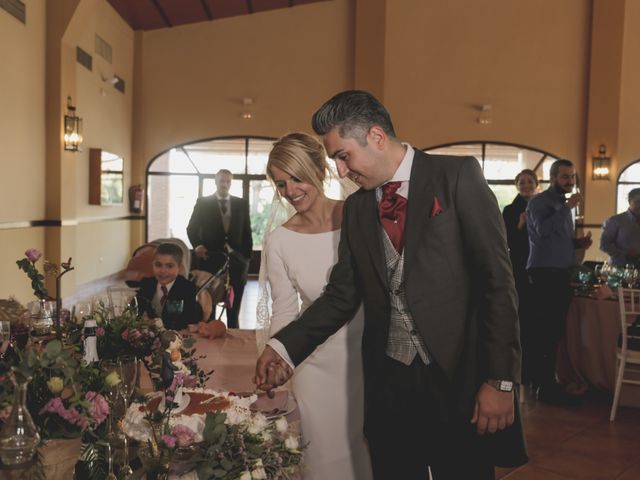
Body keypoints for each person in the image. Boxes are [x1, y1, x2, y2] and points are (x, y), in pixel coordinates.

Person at [255, 91, 527, 480]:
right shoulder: (359, 208)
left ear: (377, 137)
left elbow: (497, 284)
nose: (341, 171)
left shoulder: (456, 177)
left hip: (459, 383)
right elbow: (341, 295)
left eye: (343, 156)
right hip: (389, 389)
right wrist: (283, 347)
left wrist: (500, 380)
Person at [260, 132, 373, 479]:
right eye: (281, 184)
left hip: (369, 357)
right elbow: (284, 310)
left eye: (297, 178)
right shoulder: (279, 240)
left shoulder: (359, 217)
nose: (291, 191)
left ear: (319, 170)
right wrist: (280, 357)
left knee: (372, 450)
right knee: (323, 457)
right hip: (314, 363)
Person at [526, 159, 592, 404]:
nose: (570, 181)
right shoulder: (540, 202)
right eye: (565, 177)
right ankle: (543, 386)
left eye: (572, 177)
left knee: (554, 332)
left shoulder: (563, 204)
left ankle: (546, 382)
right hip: (545, 275)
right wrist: (567, 209)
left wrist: (577, 244)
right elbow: (541, 232)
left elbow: (556, 239)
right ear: (553, 178)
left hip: (560, 273)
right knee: (545, 331)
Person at [187, 169, 253, 328]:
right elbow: (191, 228)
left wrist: (246, 258)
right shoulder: (203, 202)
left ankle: (233, 335)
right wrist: (198, 245)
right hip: (210, 259)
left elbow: (247, 231)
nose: (224, 184)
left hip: (237, 261)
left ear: (231, 183)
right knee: (209, 305)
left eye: (228, 181)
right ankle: (210, 333)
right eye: (221, 181)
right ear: (216, 182)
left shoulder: (241, 203)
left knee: (234, 307)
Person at [502, 169, 538, 387]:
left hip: (539, 269)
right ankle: (521, 370)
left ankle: (534, 369)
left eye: (530, 181)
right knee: (522, 317)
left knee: (536, 319)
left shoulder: (542, 207)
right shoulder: (509, 210)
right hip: (520, 268)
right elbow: (505, 241)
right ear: (517, 185)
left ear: (536, 184)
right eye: (522, 182)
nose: (526, 185)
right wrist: (519, 225)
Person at [136, 243, 201, 331]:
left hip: (176, 337)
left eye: (169, 266)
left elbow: (188, 321)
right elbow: (137, 313)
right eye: (158, 265)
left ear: (180, 268)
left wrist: (156, 323)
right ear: (153, 264)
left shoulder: (187, 288)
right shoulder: (146, 284)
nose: (163, 271)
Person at [600, 188, 640, 267]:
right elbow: (603, 245)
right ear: (629, 201)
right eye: (638, 202)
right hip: (620, 269)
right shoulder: (614, 221)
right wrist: (625, 254)